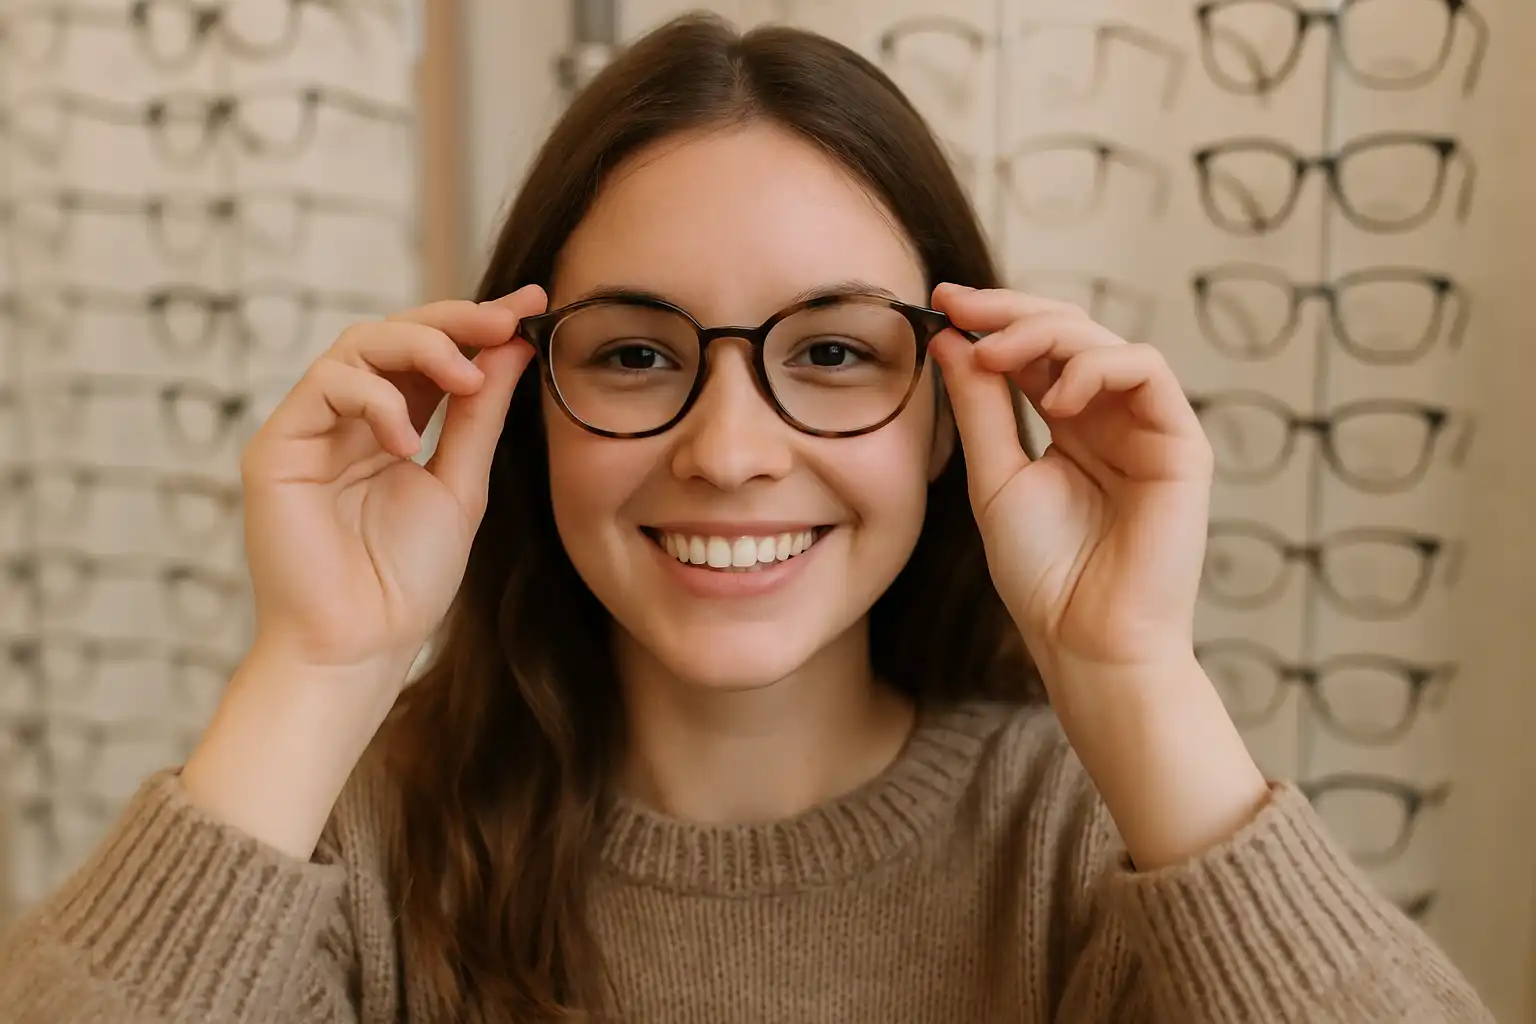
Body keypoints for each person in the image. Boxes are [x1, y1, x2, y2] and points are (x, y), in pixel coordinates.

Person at [0, 13, 1491, 1024]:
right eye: (634, 355)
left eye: (832, 352)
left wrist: (1135, 675)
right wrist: (317, 667)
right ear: (520, 405)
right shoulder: (354, 842)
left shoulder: (1102, 852)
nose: (727, 454)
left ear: (953, 411)